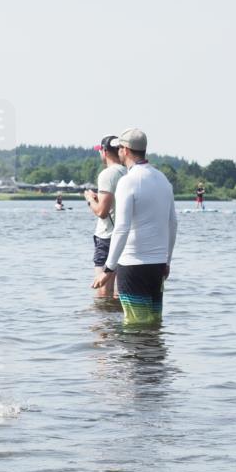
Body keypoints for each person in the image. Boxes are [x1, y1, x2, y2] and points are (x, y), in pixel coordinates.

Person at [92, 128, 177, 325]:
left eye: (120, 147)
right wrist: (167, 262)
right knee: (154, 324)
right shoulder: (163, 179)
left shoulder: (128, 181)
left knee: (135, 325)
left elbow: (121, 227)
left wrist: (108, 268)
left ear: (126, 150)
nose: (118, 151)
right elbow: (172, 223)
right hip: (157, 266)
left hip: (133, 266)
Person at [85, 134, 127, 299]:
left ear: (105, 152)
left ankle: (104, 322)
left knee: (103, 290)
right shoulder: (127, 171)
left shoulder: (107, 174)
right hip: (125, 236)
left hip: (107, 236)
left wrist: (90, 200)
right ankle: (115, 321)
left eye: (100, 151)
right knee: (118, 291)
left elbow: (102, 212)